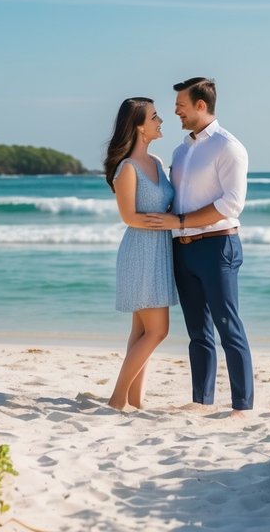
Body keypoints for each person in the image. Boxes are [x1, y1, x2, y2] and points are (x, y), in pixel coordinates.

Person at [157, 77, 254, 413]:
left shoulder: (229, 147)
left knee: (229, 327)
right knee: (198, 332)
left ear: (201, 105)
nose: (176, 113)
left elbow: (231, 205)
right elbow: (177, 200)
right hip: (183, 250)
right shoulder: (181, 150)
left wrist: (181, 222)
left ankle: (242, 405)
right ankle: (202, 402)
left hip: (218, 248)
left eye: (181, 106)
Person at [102, 96, 180, 411]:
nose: (160, 121)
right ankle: (117, 398)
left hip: (159, 251)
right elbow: (128, 216)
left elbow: (167, 202)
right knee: (158, 331)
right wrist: (163, 221)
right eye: (154, 116)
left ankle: (135, 400)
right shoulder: (127, 168)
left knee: (142, 331)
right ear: (139, 126)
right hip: (140, 253)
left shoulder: (158, 163)